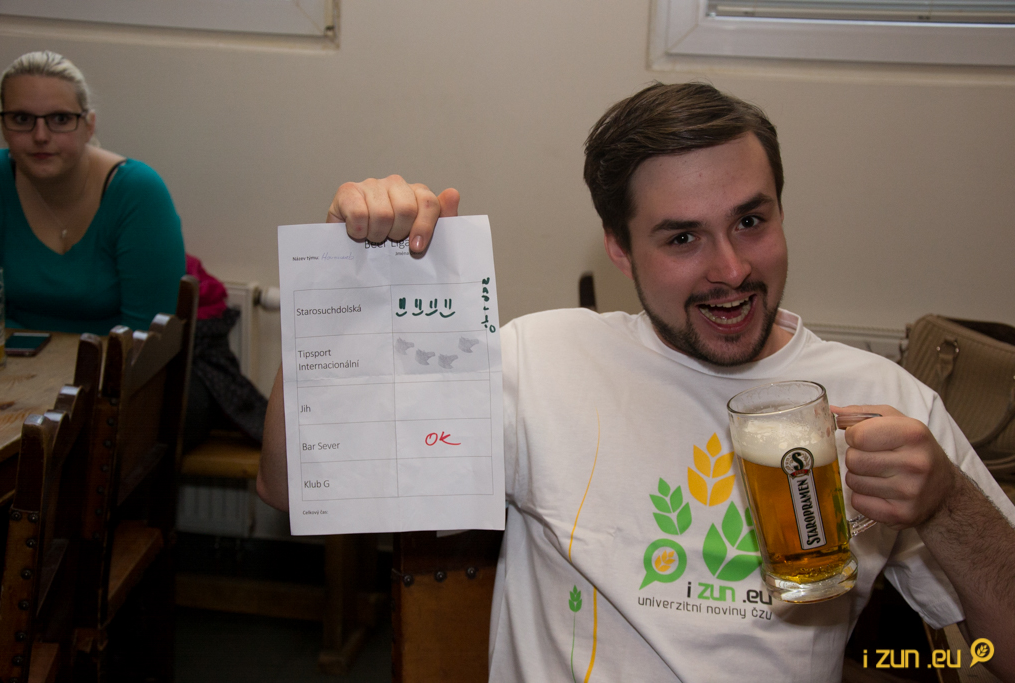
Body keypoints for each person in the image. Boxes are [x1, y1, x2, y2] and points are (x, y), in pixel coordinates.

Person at [258, 84, 1015, 681]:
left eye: (751, 221)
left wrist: (948, 505)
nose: (730, 269)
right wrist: (345, 282)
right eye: (682, 237)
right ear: (619, 248)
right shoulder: (542, 360)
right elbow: (292, 484)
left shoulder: (890, 403)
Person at [0, 51, 185, 335]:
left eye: (60, 119)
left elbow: (149, 340)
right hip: (9, 360)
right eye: (22, 119)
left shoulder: (138, 193)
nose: (40, 136)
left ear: (89, 125)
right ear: (3, 126)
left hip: (113, 362)